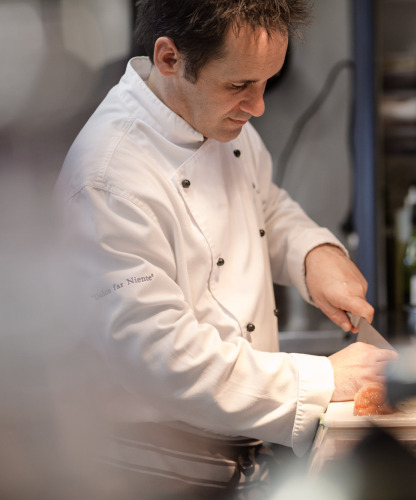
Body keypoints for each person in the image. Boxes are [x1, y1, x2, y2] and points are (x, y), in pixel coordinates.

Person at [54, 0, 397, 498]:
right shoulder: (107, 177)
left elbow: (263, 202)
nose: (258, 106)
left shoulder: (218, 120)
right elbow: (162, 357)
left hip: (243, 455)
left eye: (266, 82)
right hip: (157, 473)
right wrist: (325, 378)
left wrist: (312, 253)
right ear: (169, 58)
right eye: (239, 85)